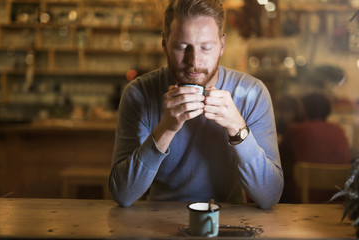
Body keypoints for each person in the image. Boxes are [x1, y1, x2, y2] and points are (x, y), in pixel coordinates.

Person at [109, 0, 283, 209]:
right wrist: (166, 128)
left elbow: (270, 196)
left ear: (221, 46)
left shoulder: (253, 93)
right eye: (182, 47)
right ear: (164, 43)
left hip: (229, 219)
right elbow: (122, 194)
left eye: (206, 47)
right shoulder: (139, 94)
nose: (194, 61)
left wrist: (237, 129)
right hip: (158, 219)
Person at [279, 92, 351, 202]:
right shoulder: (339, 130)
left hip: (305, 198)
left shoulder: (296, 130)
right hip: (339, 199)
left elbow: (278, 154)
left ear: (304, 110)